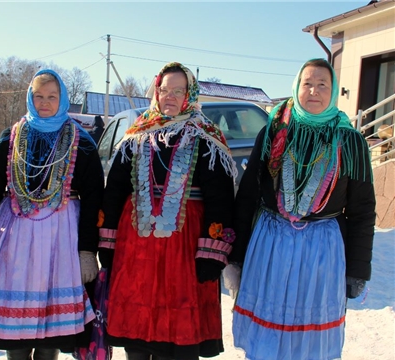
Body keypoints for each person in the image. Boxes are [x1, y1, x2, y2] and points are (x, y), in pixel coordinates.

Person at [228, 58, 376, 360]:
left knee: (308, 343)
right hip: (270, 246)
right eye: (307, 83)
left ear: (333, 91)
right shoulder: (273, 132)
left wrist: (357, 269)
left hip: (322, 253)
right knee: (267, 339)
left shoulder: (350, 143)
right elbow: (249, 195)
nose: (314, 91)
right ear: (296, 87)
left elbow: (362, 211)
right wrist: (237, 256)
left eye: (323, 84)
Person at [98, 62, 237, 360]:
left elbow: (221, 198)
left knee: (177, 338)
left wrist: (213, 252)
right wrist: (108, 241)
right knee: (136, 336)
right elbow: (115, 190)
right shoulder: (136, 135)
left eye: (178, 91)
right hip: (136, 248)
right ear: (156, 92)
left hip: (186, 250)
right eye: (164, 90)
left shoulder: (205, 137)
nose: (170, 97)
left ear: (190, 94)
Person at [0, 69, 104, 360]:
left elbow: (94, 197)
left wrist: (87, 250)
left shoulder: (80, 142)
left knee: (52, 332)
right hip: (16, 237)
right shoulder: (10, 138)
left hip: (62, 238)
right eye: (38, 96)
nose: (44, 102)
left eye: (51, 96)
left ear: (62, 100)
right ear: (29, 98)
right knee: (16, 330)